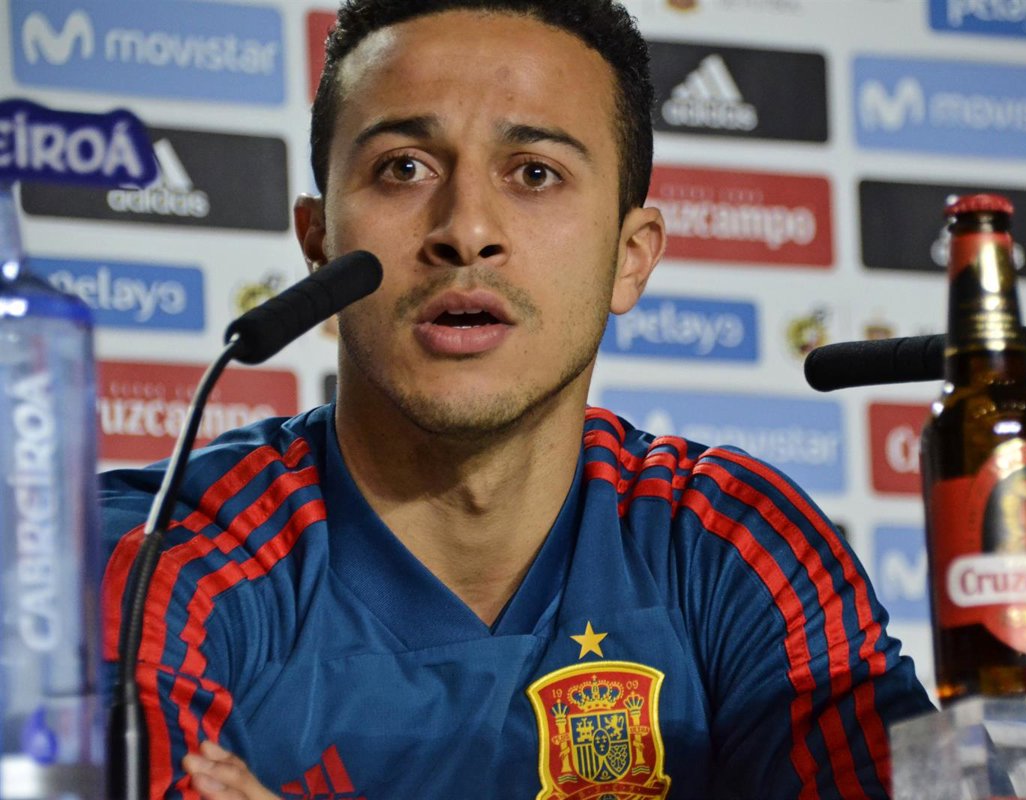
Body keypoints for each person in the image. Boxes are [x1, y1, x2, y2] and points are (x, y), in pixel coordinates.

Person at [101, 0, 934, 797]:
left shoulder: (729, 544)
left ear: (630, 257)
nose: (466, 230)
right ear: (319, 241)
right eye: (404, 168)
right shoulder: (159, 554)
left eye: (535, 173)